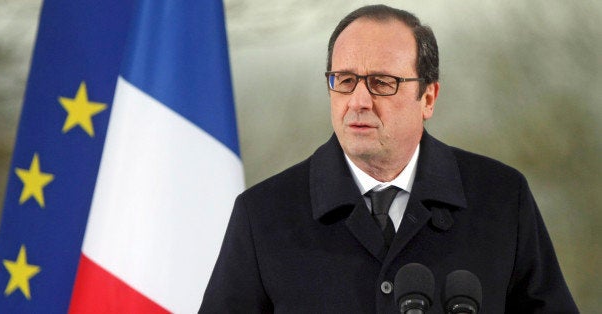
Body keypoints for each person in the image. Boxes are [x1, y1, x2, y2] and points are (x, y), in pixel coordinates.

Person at [199, 4, 578, 313]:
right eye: (345, 80)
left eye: (382, 83)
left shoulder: (501, 198)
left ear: (428, 98)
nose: (359, 101)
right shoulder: (264, 213)